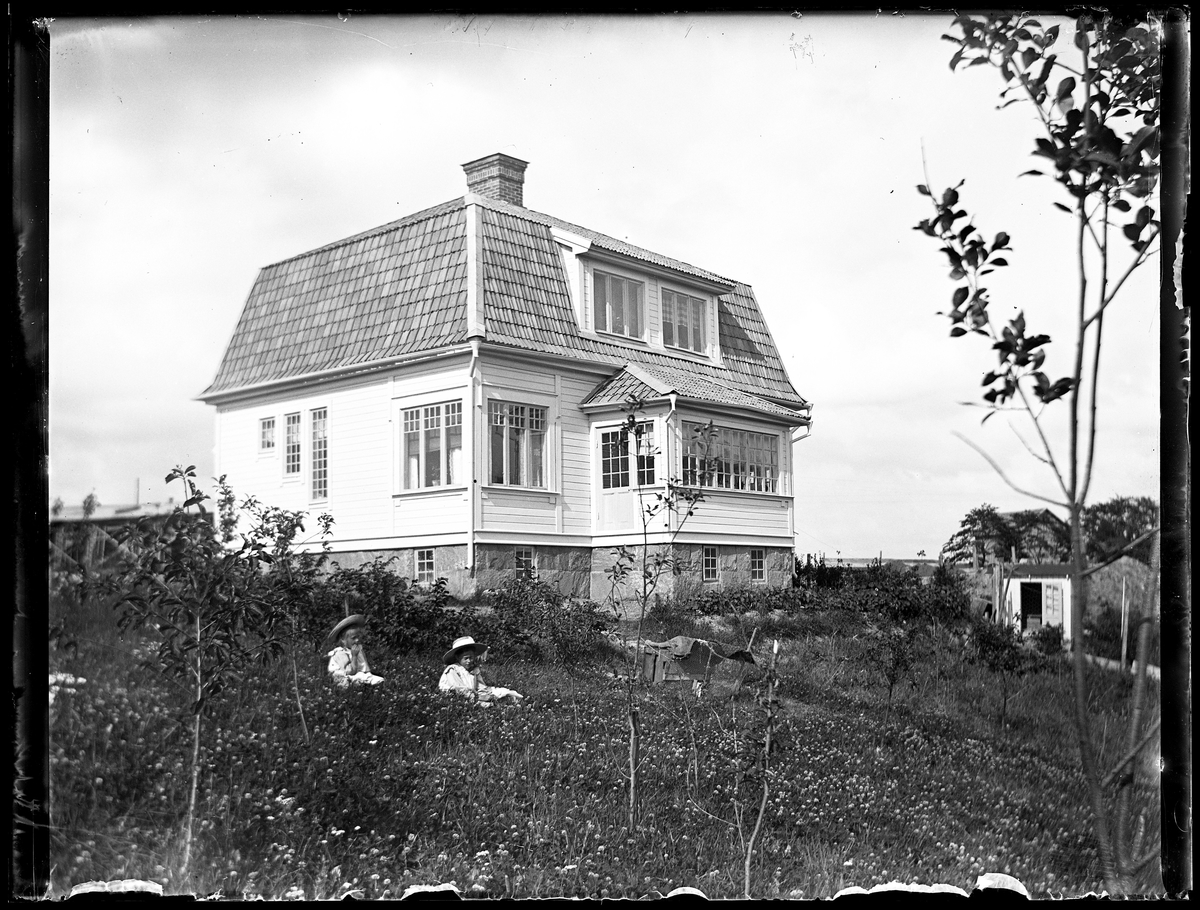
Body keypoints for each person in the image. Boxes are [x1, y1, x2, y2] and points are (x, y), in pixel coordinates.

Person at [438, 636, 523, 705]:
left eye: (471, 658)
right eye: (466, 658)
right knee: (481, 703)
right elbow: (457, 688)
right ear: (457, 657)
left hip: (471, 695)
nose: (469, 661)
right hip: (455, 697)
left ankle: (508, 698)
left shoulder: (473, 670)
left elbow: (481, 688)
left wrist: (490, 695)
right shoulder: (453, 669)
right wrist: (479, 697)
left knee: (503, 693)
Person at [326, 614, 384, 688]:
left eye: (358, 637)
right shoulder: (340, 654)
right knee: (360, 680)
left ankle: (367, 686)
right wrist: (354, 656)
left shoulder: (355, 649)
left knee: (378, 679)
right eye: (353, 638)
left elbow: (363, 668)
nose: (357, 640)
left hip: (357, 673)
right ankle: (361, 687)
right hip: (346, 677)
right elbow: (350, 671)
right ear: (343, 640)